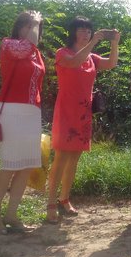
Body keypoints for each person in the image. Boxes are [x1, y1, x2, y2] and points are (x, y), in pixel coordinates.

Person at [45, 17, 120, 223]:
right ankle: (51, 202)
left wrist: (114, 42)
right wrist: (94, 41)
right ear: (73, 32)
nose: (86, 33)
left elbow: (112, 63)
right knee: (61, 156)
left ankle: (65, 199)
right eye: (82, 29)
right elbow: (75, 62)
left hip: (84, 112)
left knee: (75, 157)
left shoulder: (92, 58)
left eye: (89, 30)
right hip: (66, 110)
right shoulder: (63, 53)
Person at [0, 11, 46, 235]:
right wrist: (35, 22)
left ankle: (12, 214)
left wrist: (35, 26)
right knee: (9, 165)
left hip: (32, 111)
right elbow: (27, 44)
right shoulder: (9, 45)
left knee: (26, 165)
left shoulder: (36, 53)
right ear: (20, 27)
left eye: (37, 27)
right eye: (30, 26)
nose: (34, 31)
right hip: (12, 110)